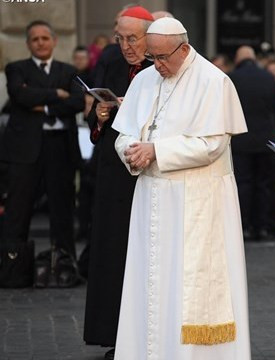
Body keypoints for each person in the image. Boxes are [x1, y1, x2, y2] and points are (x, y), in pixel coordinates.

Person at [111, 17, 250, 359]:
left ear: (184, 48)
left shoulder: (214, 82)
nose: (156, 66)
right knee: (150, 280)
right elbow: (125, 132)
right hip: (150, 198)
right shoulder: (144, 79)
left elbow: (212, 144)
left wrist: (156, 150)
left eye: (162, 58)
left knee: (188, 284)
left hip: (198, 201)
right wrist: (131, 150)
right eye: (151, 57)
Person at [82, 6, 154, 360]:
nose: (125, 46)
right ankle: (114, 335)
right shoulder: (110, 62)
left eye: (132, 38)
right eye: (120, 38)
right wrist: (100, 114)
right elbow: (96, 122)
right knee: (111, 255)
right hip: (112, 175)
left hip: (145, 176)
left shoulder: (161, 68)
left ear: (149, 37)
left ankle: (145, 335)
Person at [0, 20, 84, 287]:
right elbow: (18, 96)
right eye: (34, 39)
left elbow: (77, 102)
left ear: (54, 41)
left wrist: (43, 106)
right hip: (25, 151)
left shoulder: (69, 71)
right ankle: (14, 270)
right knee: (18, 210)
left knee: (62, 210)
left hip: (60, 148)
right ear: (28, 44)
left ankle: (63, 270)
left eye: (45, 38)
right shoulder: (16, 69)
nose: (40, 43)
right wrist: (55, 95)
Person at [229, 45, 275, 241]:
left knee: (242, 184)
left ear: (238, 59)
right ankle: (263, 226)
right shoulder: (268, 78)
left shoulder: (232, 78)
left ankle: (243, 226)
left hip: (240, 142)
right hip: (266, 140)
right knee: (264, 186)